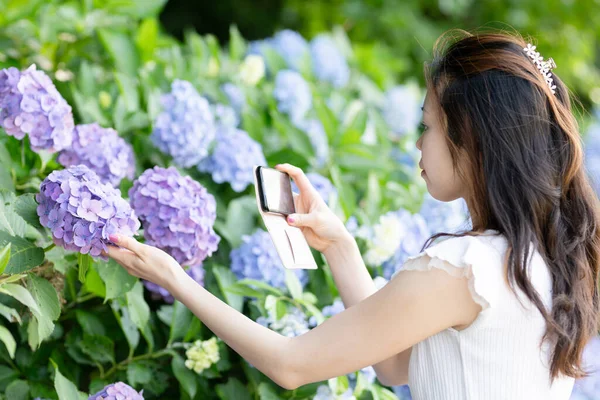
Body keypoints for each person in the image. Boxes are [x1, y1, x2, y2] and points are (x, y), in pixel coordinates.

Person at [102, 29, 600, 399]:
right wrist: (340, 246)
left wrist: (176, 278)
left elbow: (291, 365)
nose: (417, 145)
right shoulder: (546, 255)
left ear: (470, 140)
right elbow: (394, 363)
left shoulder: (463, 268)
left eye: (426, 126)